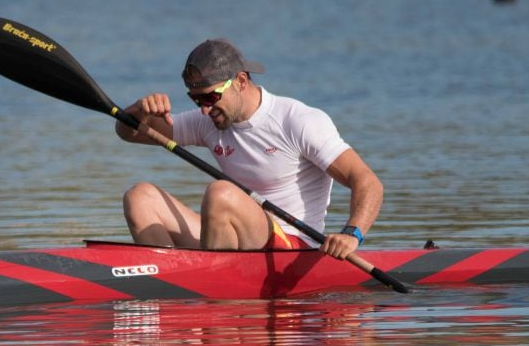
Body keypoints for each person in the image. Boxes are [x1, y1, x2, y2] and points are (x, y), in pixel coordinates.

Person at [114, 39, 384, 261]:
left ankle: (209, 288)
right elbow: (130, 133)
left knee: (221, 193)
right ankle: (171, 278)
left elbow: (367, 182)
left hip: (292, 247)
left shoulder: (298, 121)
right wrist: (138, 111)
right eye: (195, 99)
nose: (204, 109)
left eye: (209, 97)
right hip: (236, 234)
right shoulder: (208, 120)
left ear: (241, 81)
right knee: (140, 197)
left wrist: (352, 233)